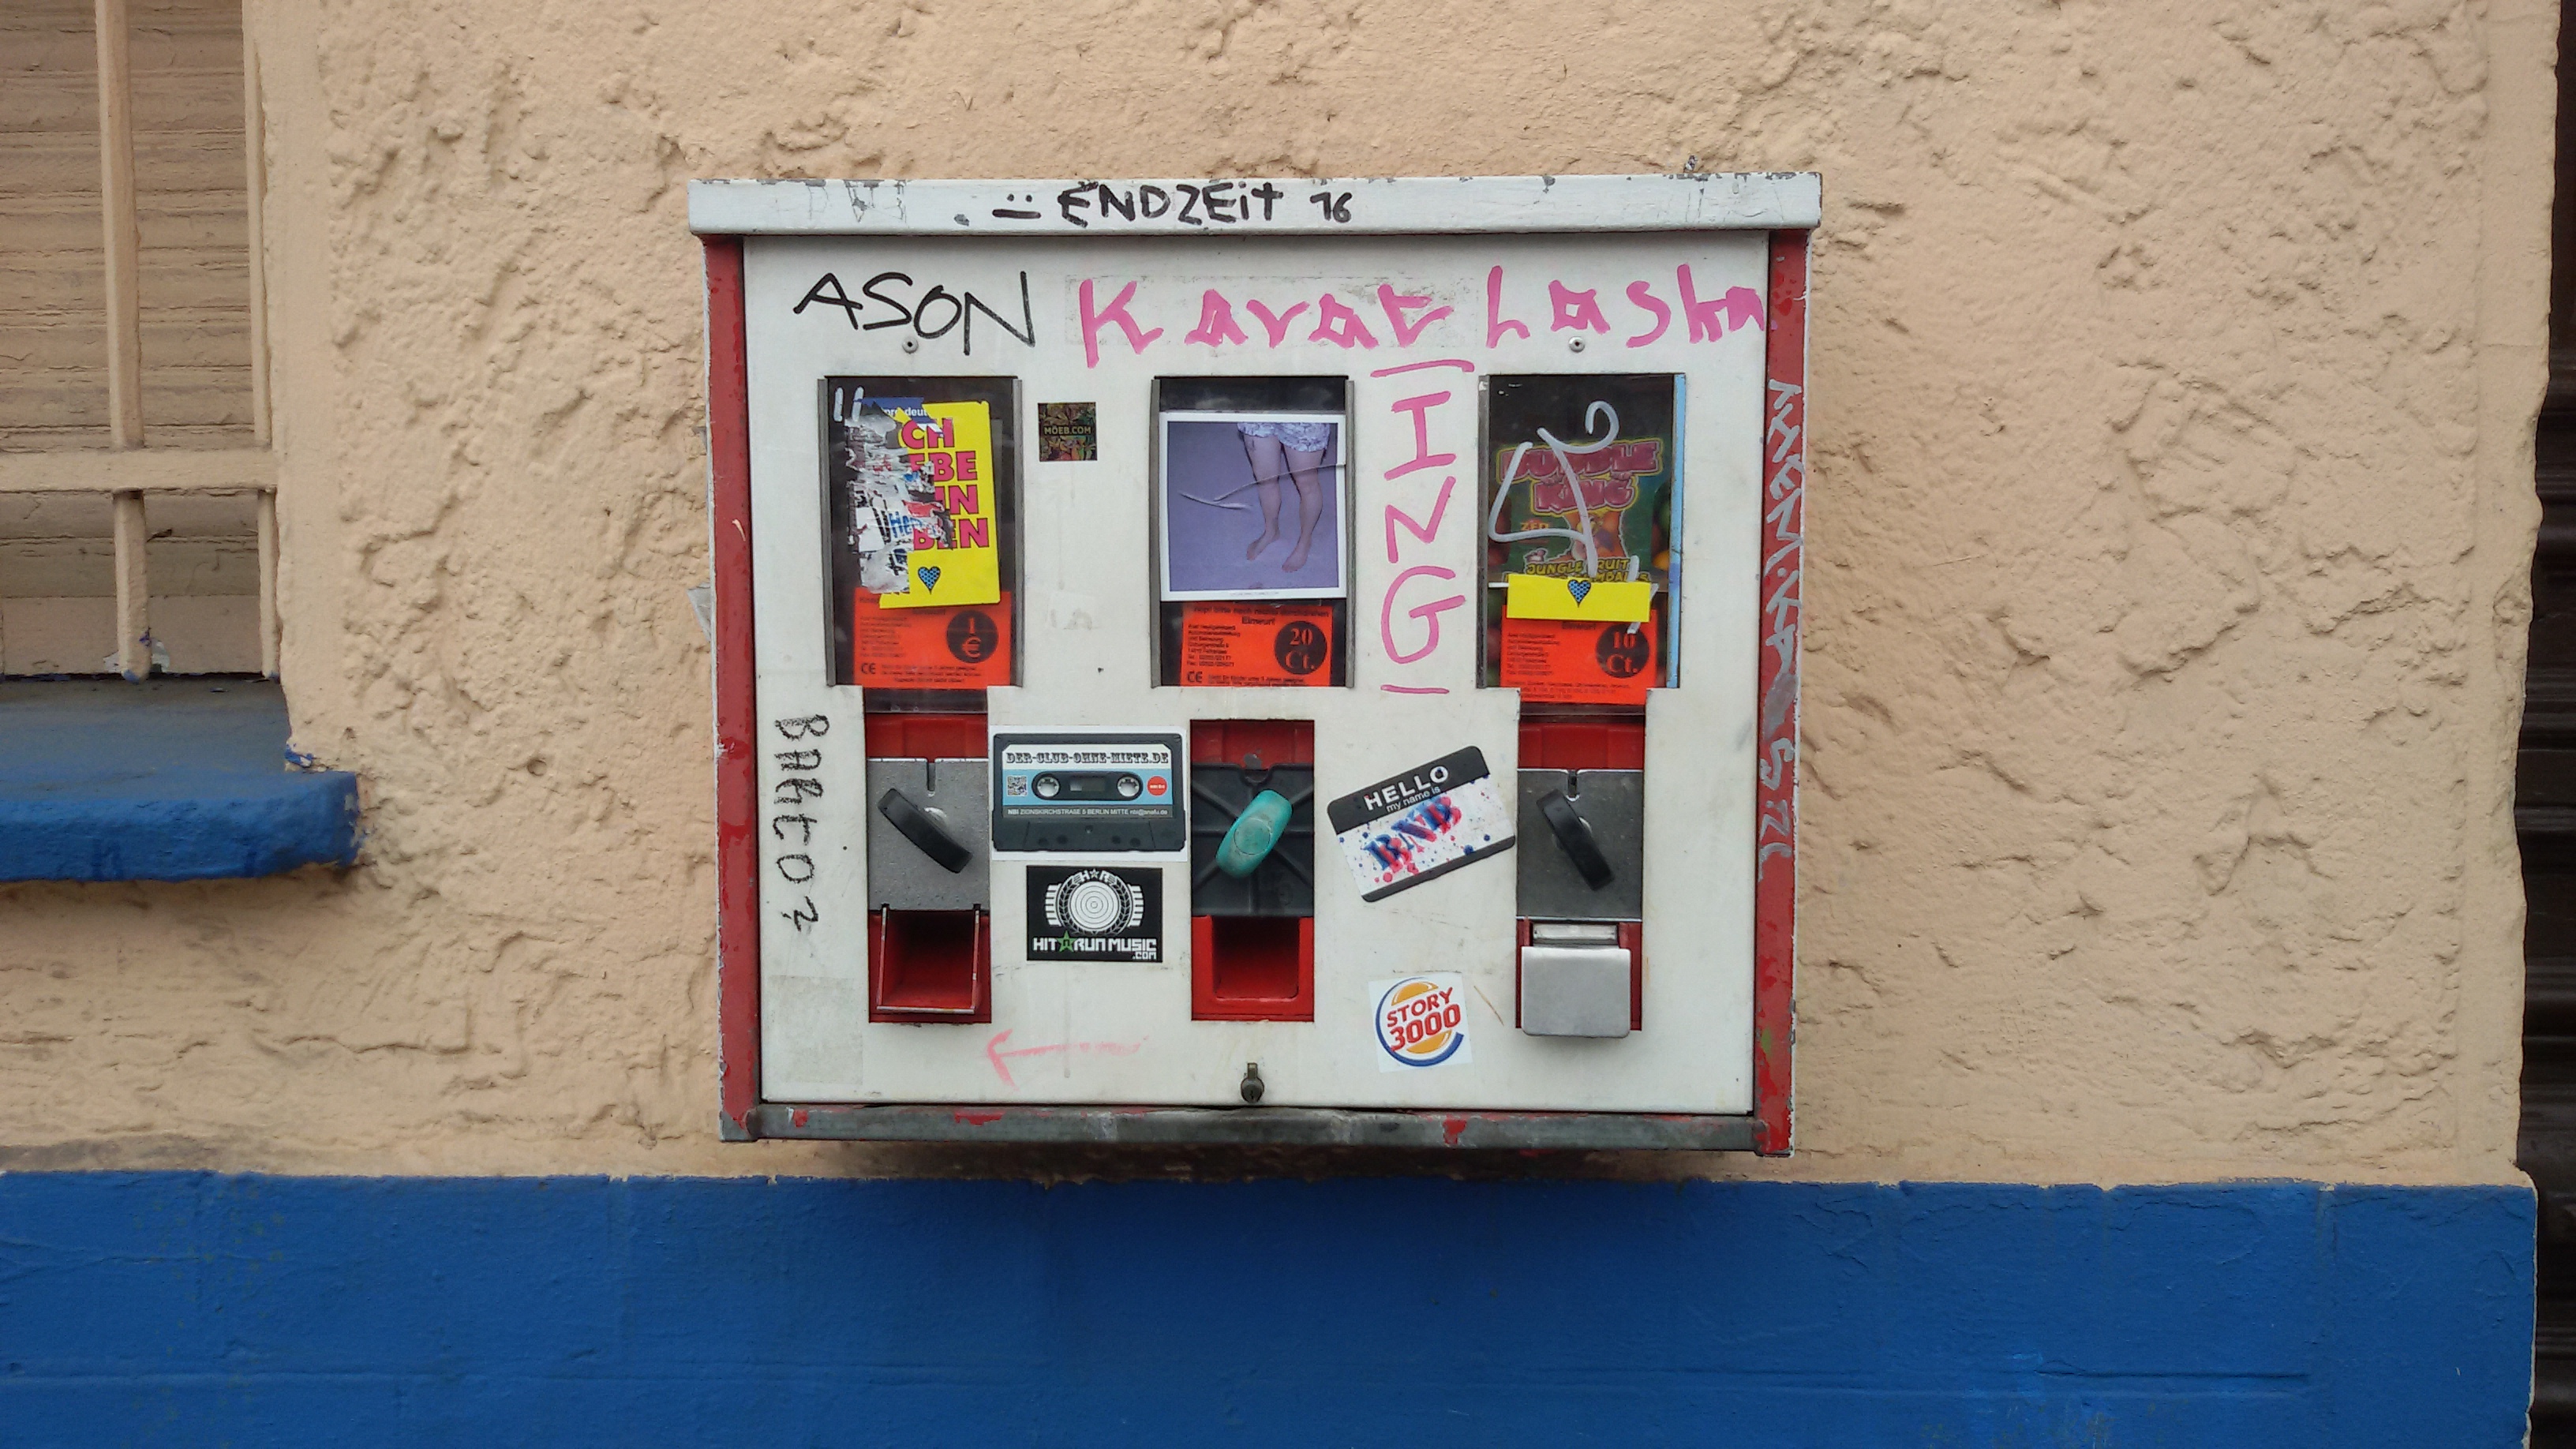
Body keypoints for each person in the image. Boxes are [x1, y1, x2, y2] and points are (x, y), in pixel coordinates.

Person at [1235, 419, 1331, 572]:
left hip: (1303, 412)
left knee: (1307, 483)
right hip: (1259, 407)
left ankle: (1305, 541)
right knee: (1265, 479)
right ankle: (1271, 531)